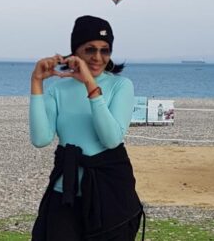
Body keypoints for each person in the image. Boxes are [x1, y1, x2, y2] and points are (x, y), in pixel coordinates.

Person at [29, 15, 144, 240]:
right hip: (66, 192)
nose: (98, 57)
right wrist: (36, 83)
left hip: (110, 193)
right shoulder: (58, 90)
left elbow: (111, 139)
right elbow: (41, 139)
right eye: (90, 49)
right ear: (76, 51)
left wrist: (90, 85)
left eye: (105, 50)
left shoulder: (121, 85)